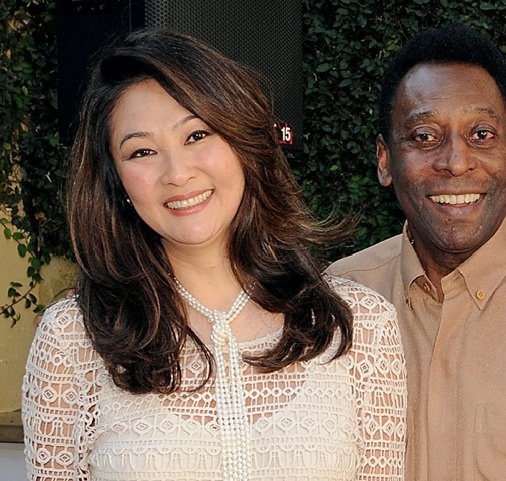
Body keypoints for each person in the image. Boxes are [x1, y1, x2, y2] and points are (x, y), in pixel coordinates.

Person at [21, 29, 406, 481]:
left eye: (197, 134)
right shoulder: (72, 339)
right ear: (116, 181)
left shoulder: (360, 326)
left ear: (243, 145)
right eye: (142, 151)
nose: (177, 173)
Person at [328, 23, 506, 481]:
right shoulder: (336, 305)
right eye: (424, 136)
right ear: (384, 160)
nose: (456, 162)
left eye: (481, 134)